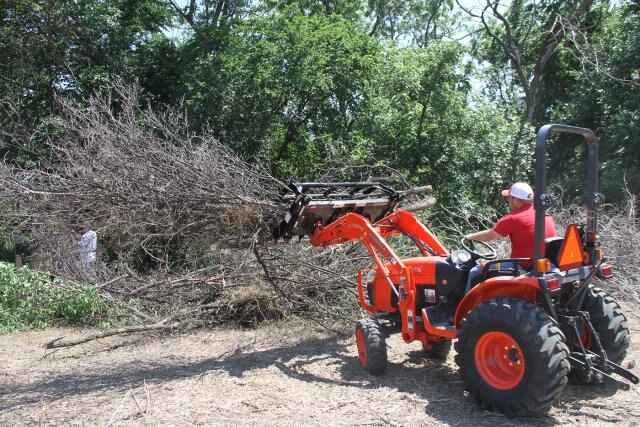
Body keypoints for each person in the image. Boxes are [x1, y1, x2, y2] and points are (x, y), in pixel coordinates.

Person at [464, 182, 557, 293]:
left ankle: (466, 309)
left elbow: (487, 236)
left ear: (516, 201)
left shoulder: (513, 218)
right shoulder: (545, 215)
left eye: (509, 199)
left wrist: (470, 237)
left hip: (525, 267)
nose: (509, 203)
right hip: (547, 265)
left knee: (475, 271)